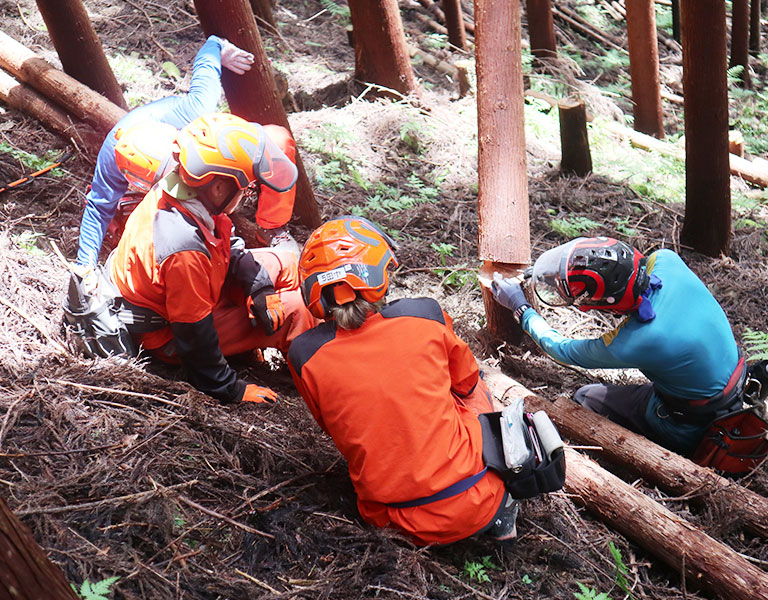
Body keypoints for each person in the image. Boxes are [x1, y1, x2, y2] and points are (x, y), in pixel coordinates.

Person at [286, 217, 518, 545]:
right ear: (378, 273)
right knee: (475, 388)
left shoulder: (303, 354)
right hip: (476, 503)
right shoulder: (425, 315)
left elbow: (333, 427)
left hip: (390, 521)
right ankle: (503, 514)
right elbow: (465, 382)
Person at [108, 113, 317, 404]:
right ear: (219, 187)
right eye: (245, 187)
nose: (247, 193)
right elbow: (193, 335)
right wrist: (231, 389)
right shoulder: (183, 251)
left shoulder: (186, 194)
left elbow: (222, 246)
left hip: (197, 290)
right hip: (169, 337)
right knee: (295, 310)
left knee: (289, 264)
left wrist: (257, 284)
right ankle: (320, 379)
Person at [490, 236, 746, 457]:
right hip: (730, 386)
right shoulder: (667, 261)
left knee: (585, 397)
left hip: (691, 425)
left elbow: (562, 349)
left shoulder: (638, 340)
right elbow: (614, 264)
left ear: (609, 303)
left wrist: (520, 307)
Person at [76, 35, 297, 267]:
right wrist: (85, 267)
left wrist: (218, 47)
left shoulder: (195, 111)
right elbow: (98, 208)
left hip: (221, 146)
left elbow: (207, 62)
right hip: (170, 187)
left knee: (278, 141)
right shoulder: (114, 154)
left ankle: (272, 228)